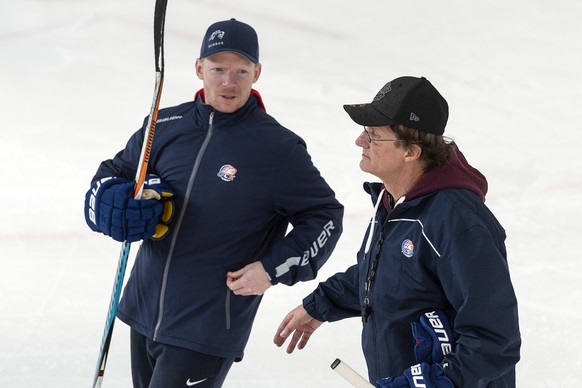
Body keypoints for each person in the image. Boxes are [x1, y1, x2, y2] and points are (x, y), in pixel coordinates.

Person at [84, 18, 343, 388]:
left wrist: (271, 269)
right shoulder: (164, 124)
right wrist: (113, 203)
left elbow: (325, 217)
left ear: (257, 73)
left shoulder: (277, 149)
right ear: (198, 68)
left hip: (205, 327)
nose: (228, 81)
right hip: (144, 310)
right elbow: (116, 173)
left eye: (240, 70)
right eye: (218, 68)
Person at [273, 76, 521, 387]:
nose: (360, 142)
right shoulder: (393, 202)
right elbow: (391, 275)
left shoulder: (457, 221)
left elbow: (495, 337)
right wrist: (321, 305)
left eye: (374, 136)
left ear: (411, 152)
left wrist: (429, 383)